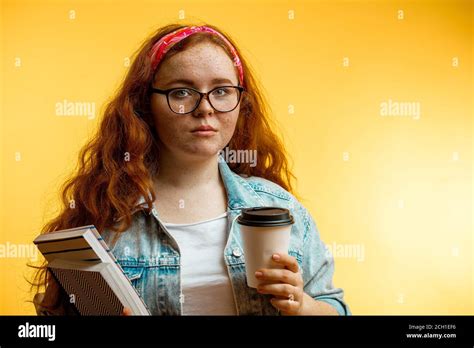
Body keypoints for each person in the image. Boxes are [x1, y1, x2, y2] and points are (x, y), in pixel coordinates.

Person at [30, 23, 351, 316]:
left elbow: (336, 308)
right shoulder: (105, 213)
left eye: (222, 90)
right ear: (144, 104)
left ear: (241, 102)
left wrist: (303, 306)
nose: (205, 108)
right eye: (181, 92)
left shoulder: (279, 206)